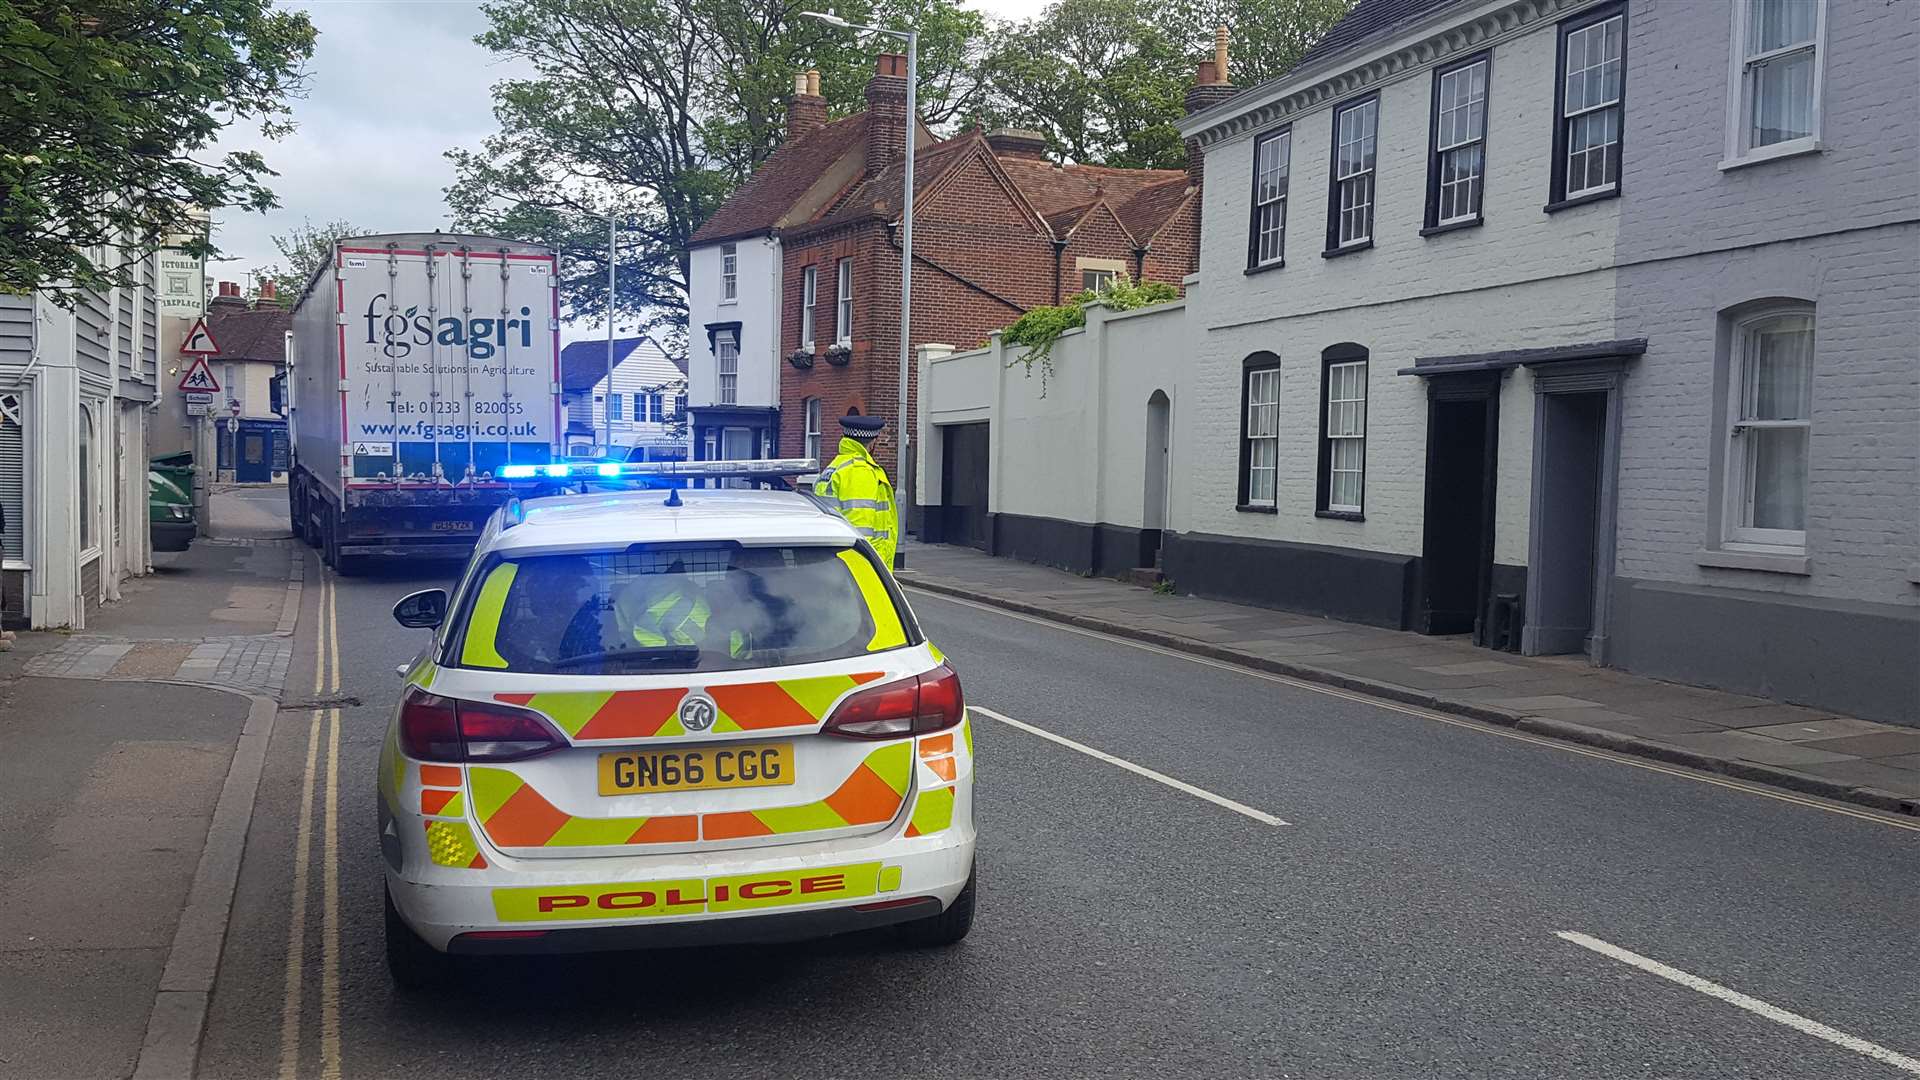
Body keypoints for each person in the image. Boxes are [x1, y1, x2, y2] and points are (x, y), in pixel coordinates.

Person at [815, 415, 897, 568]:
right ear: (873, 442)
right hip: (860, 564)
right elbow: (860, 529)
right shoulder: (859, 471)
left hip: (833, 559)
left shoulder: (835, 466)